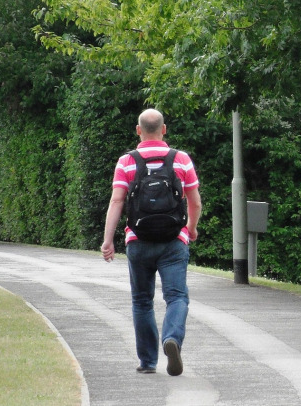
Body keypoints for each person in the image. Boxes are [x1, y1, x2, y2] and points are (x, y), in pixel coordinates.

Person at [101, 108, 202, 376]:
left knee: (142, 301)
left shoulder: (127, 162)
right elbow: (194, 201)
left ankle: (148, 362)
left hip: (138, 240)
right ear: (164, 129)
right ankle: (172, 338)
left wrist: (108, 240)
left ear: (138, 131)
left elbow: (117, 201)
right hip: (173, 241)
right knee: (177, 297)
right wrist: (190, 228)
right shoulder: (181, 160)